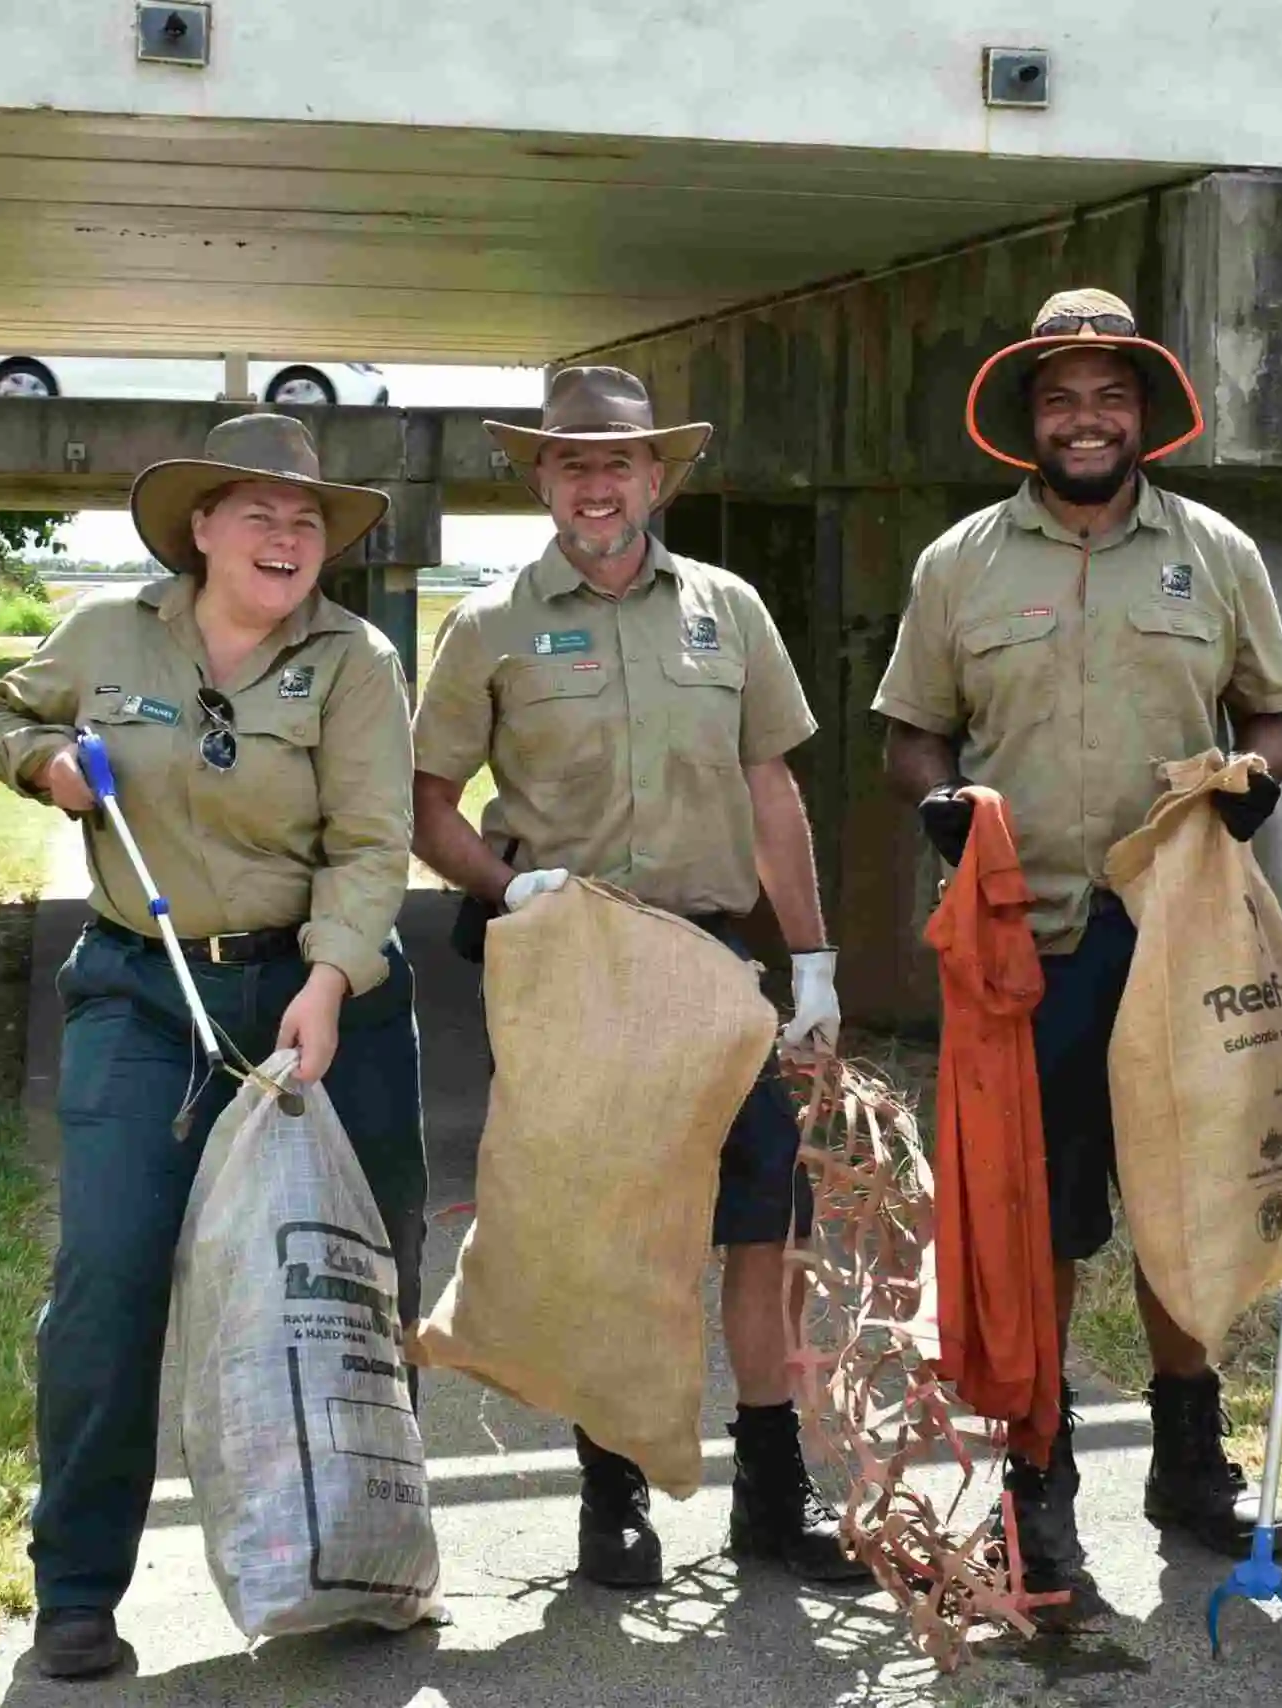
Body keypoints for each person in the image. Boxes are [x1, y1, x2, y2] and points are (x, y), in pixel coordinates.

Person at [0, 413, 428, 1680]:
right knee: (111, 1275)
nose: (287, 540)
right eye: (259, 516)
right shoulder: (108, 634)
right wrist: (44, 764)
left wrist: (332, 977)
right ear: (203, 531)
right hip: (144, 994)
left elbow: (370, 842)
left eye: (307, 523)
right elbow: (3, 718)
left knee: (364, 1265)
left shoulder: (357, 660)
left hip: (323, 991)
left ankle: (369, 1548)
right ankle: (74, 1586)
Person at [872, 288, 1282, 1595]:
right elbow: (911, 734)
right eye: (1061, 397)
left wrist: (1255, 776)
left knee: (1181, 1200)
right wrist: (941, 805)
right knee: (1036, 1220)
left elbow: (1276, 716)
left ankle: (1189, 1461)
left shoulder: (1218, 554)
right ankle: (1040, 1477)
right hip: (1027, 952)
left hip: (1177, 946)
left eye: (1108, 395)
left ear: (1144, 416)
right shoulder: (958, 565)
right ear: (1029, 420)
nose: (1085, 418)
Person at [408, 365, 865, 1590]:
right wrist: (507, 889)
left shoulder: (728, 610)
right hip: (575, 965)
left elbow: (773, 790)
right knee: (597, 1231)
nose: (596, 483)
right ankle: (609, 1499)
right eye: (571, 462)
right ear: (540, 478)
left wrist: (809, 956)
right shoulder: (489, 625)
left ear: (658, 477)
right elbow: (427, 808)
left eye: (619, 462)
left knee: (764, 1215)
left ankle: (773, 1492)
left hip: (714, 963)